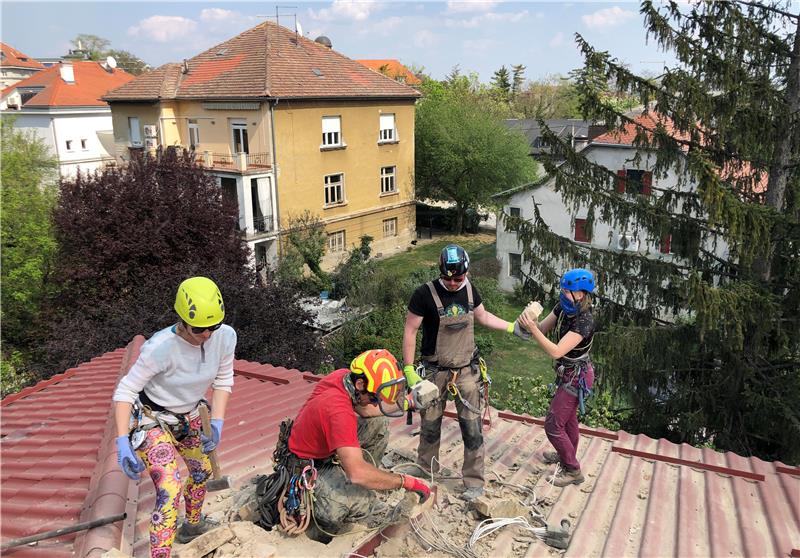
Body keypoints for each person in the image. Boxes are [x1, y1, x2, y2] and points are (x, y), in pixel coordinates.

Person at [112, 276, 236, 557]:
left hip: (188, 414)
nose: (207, 334)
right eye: (200, 328)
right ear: (182, 319)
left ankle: (192, 525)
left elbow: (224, 378)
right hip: (152, 418)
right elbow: (125, 391)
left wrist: (216, 422)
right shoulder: (160, 348)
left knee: (201, 471)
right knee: (170, 489)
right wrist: (122, 441)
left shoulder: (225, 336)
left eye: (213, 326)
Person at [402, 244, 530, 502]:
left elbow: (482, 316)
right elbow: (410, 331)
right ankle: (426, 471)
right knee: (430, 425)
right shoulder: (424, 294)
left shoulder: (470, 290)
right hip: (434, 372)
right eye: (447, 277)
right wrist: (408, 370)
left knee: (472, 429)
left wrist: (511, 327)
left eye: (457, 278)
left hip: (466, 372)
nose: (451, 283)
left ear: (466, 273)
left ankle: (473, 481)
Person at [278, 349, 430, 543]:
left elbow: (366, 410)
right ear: (360, 384)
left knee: (378, 423)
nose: (376, 402)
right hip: (306, 466)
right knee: (349, 505)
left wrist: (409, 402)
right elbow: (357, 474)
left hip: (325, 448)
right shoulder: (338, 411)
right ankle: (316, 527)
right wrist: (406, 482)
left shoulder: (344, 378)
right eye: (375, 397)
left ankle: (365, 479)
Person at [518, 268, 596, 487]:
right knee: (569, 421)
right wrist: (529, 323)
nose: (562, 293)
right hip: (568, 372)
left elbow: (556, 351)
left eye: (567, 290)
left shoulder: (585, 321)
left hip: (577, 375)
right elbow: (542, 328)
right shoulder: (563, 306)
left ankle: (573, 470)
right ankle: (566, 457)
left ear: (580, 294)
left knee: (553, 425)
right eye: (562, 288)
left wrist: (533, 329)